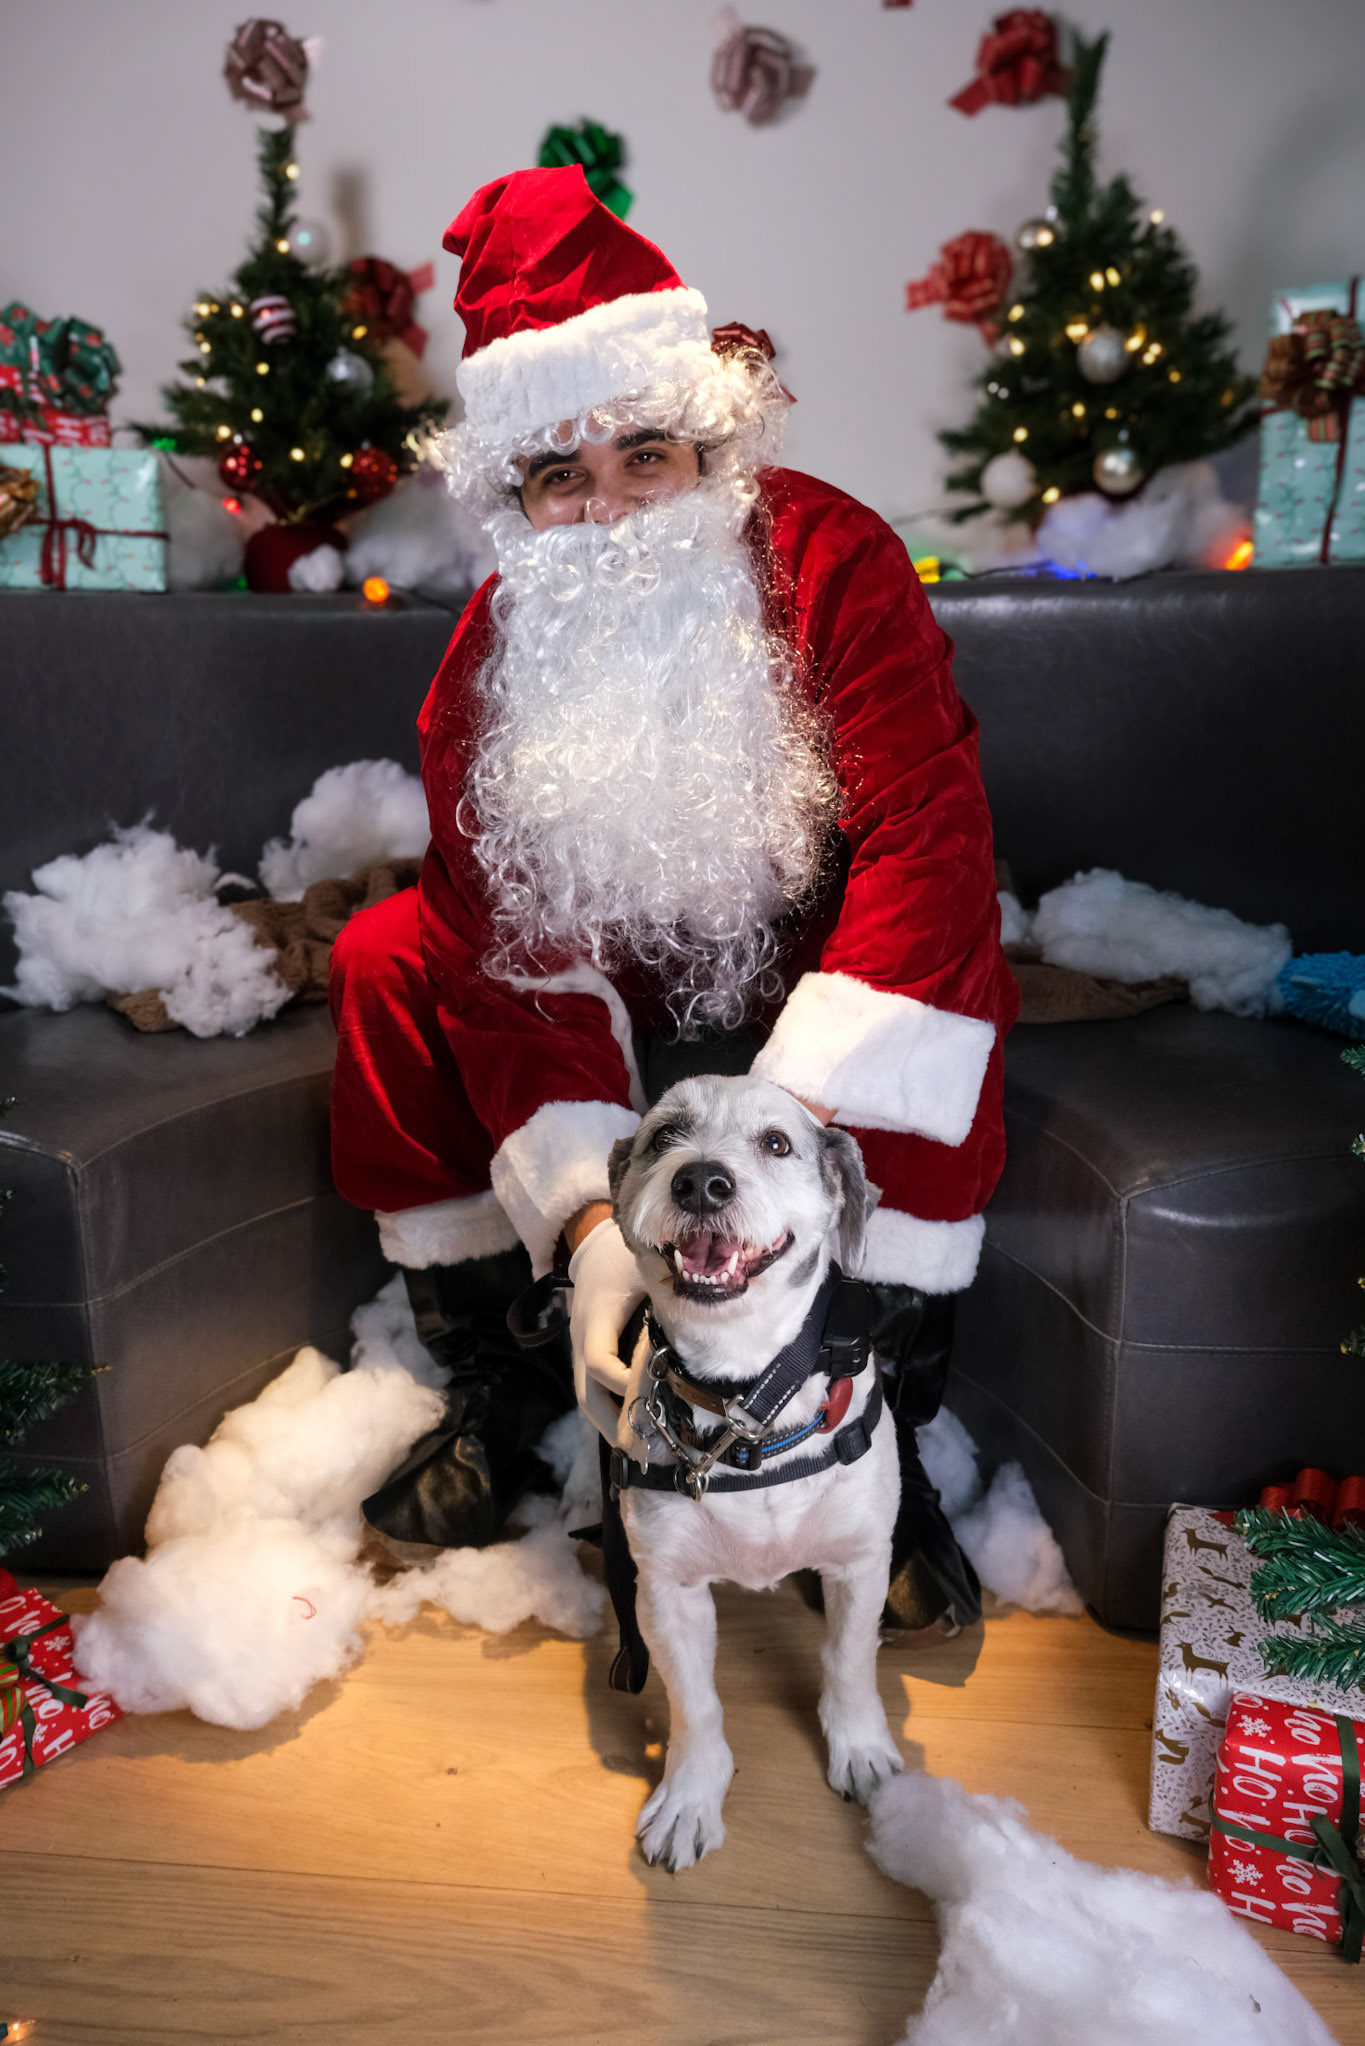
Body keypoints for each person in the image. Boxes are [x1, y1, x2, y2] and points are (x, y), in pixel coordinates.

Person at [330, 165, 1018, 1626]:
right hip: (616, 975)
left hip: (818, 942)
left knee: (933, 967)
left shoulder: (833, 559)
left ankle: (871, 1416)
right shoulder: (490, 656)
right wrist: (593, 1228)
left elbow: (927, 837)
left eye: (644, 454)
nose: (608, 508)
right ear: (517, 501)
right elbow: (501, 944)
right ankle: (519, 1380)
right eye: (559, 477)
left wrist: (779, 1134)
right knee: (391, 953)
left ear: (709, 443)